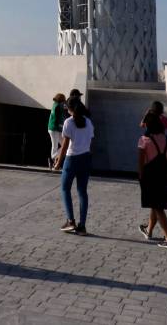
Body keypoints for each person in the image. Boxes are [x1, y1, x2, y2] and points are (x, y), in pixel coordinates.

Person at [53, 98, 93, 234]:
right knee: (82, 191)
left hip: (72, 158)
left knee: (65, 189)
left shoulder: (68, 122)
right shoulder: (88, 122)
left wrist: (58, 162)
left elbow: (64, 146)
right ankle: (82, 226)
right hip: (86, 158)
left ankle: (71, 221)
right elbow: (89, 140)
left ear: (70, 109)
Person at [137, 110, 167, 249]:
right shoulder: (166, 138)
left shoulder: (144, 139)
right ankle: (149, 230)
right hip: (163, 174)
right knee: (156, 203)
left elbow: (141, 160)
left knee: (158, 206)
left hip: (149, 174)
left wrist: (140, 175)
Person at [47, 93, 68, 169]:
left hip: (54, 128)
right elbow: (57, 118)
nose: (64, 102)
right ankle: (53, 158)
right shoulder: (58, 106)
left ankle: (54, 158)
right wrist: (61, 126)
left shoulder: (55, 105)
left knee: (64, 145)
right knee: (55, 145)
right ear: (61, 100)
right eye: (63, 100)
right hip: (54, 128)